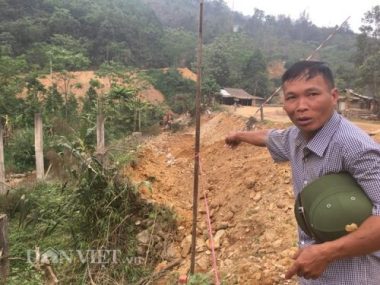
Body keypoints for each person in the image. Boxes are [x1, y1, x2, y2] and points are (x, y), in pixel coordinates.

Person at [225, 61, 380, 284]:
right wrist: (238, 135)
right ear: (284, 102)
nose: (301, 106)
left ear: (334, 96)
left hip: (354, 276)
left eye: (312, 94)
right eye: (292, 97)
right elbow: (269, 136)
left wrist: (326, 253)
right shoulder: (295, 137)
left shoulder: (353, 145)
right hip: (313, 274)